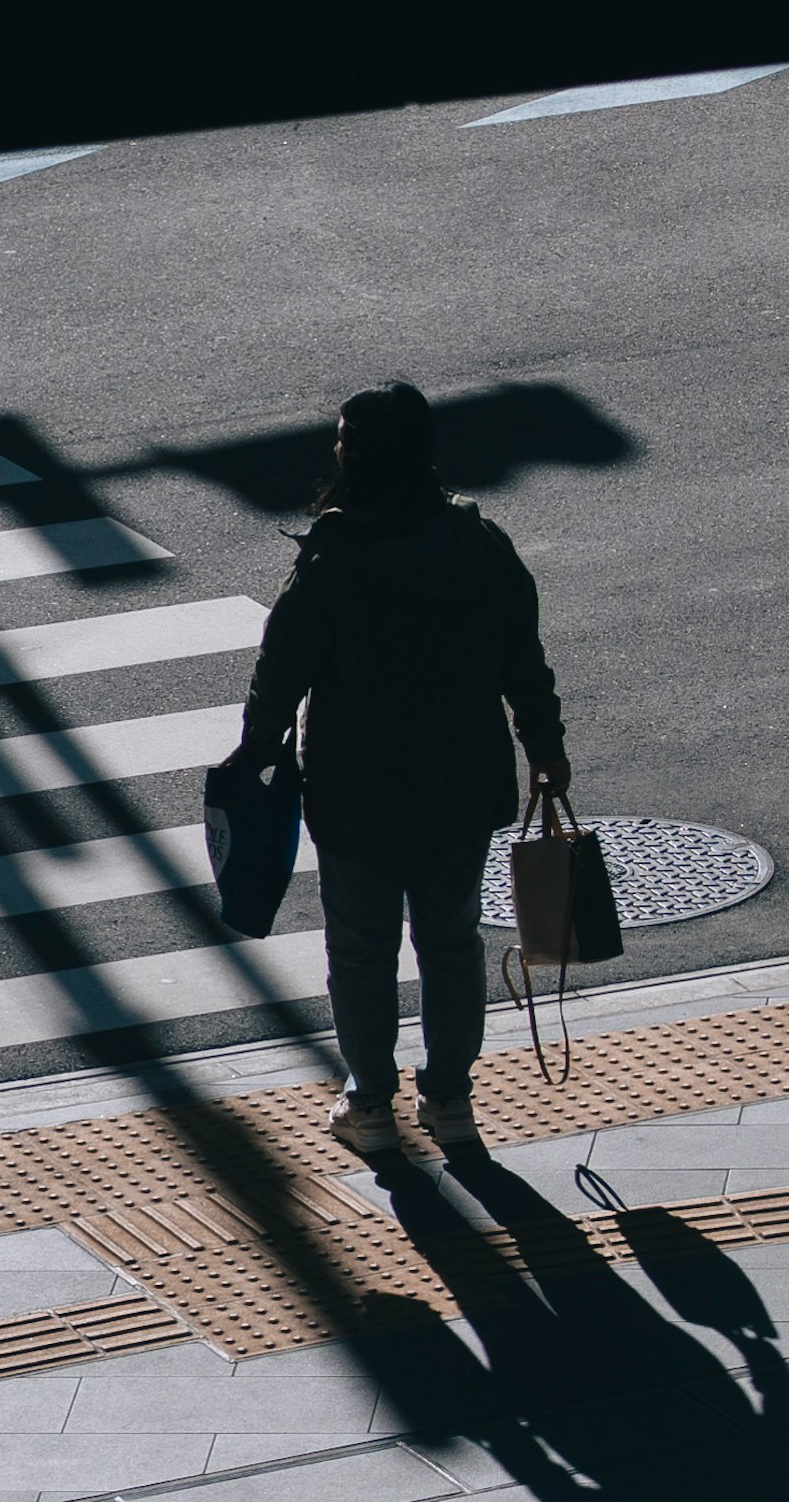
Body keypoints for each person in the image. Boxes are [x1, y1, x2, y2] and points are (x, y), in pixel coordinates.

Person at [230, 382, 570, 1156]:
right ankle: (450, 1100)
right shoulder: (478, 547)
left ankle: (372, 1103)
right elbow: (525, 660)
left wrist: (256, 752)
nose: (338, 448)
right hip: (461, 779)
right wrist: (545, 750)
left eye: (346, 439)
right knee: (450, 940)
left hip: (358, 786)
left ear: (362, 455)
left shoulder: (336, 556)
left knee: (360, 946)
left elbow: (281, 670)